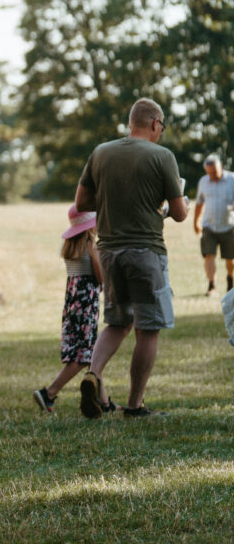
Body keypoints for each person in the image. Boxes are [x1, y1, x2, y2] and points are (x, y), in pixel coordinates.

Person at [75, 97, 188, 419]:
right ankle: (135, 405)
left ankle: (93, 375)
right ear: (155, 123)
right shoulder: (162, 156)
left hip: (108, 251)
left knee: (116, 321)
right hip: (146, 252)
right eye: (161, 127)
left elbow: (82, 201)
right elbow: (179, 214)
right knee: (148, 327)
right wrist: (172, 207)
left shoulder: (101, 152)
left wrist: (118, 201)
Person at [32, 204, 104, 413]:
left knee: (91, 353)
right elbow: (99, 274)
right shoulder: (90, 244)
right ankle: (49, 393)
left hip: (72, 301)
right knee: (85, 356)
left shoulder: (70, 245)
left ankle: (104, 402)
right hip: (87, 302)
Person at [193, 153, 234, 298]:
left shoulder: (232, 179)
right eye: (209, 173)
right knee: (209, 255)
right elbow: (199, 203)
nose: (212, 176)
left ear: (220, 167)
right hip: (209, 225)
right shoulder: (203, 181)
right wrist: (195, 222)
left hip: (228, 226)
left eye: (214, 172)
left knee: (231, 259)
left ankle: (230, 279)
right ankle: (212, 286)